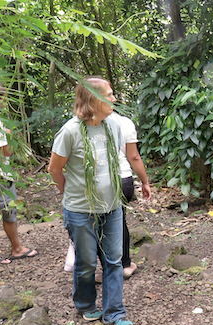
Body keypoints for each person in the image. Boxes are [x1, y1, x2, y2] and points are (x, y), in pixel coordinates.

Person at [48, 77, 133, 325]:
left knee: (114, 260)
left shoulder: (114, 126)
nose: (114, 98)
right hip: (80, 210)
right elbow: (55, 169)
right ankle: (85, 305)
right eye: (109, 94)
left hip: (112, 207)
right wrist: (69, 194)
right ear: (93, 99)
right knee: (85, 263)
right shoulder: (70, 131)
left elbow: (115, 162)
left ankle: (114, 312)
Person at [63, 110, 152, 281]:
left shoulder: (80, 124)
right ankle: (124, 265)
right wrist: (144, 181)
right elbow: (133, 156)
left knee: (95, 223)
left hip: (97, 180)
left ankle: (104, 268)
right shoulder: (124, 122)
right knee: (118, 222)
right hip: (124, 179)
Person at [0, 82, 38, 264]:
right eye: (3, 97)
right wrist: (9, 136)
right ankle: (17, 249)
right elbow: (6, 151)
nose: (4, 101)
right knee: (8, 211)